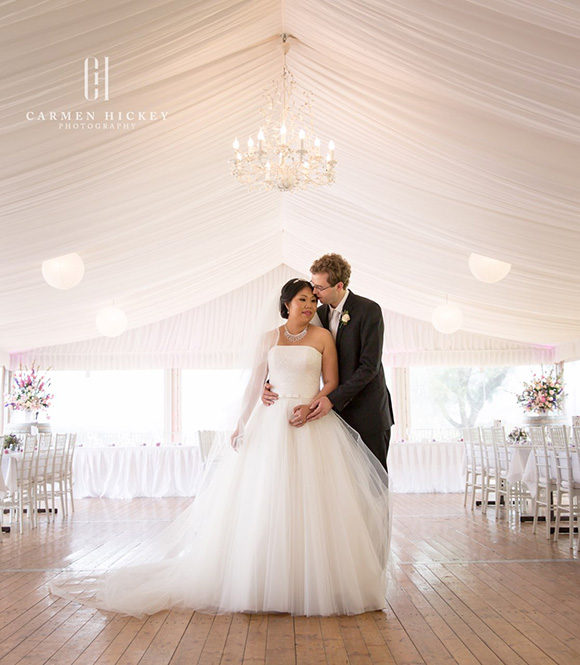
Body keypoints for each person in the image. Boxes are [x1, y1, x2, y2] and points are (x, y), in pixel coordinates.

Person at [50, 279, 391, 618]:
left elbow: (331, 381)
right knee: (264, 500)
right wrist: (242, 423)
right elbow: (254, 385)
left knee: (313, 502)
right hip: (270, 423)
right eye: (302, 299)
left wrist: (313, 404)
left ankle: (317, 581)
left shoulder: (323, 338)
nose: (309, 305)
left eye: (312, 300)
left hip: (310, 421)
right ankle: (262, 581)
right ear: (286, 303)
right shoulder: (268, 338)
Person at [263, 254, 394, 471]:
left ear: (339, 285)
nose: (313, 293)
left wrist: (330, 399)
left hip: (367, 412)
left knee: (374, 484)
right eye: (313, 286)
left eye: (319, 288)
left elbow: (369, 367)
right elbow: (298, 355)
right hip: (331, 416)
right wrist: (269, 383)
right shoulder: (318, 313)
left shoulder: (368, 310)